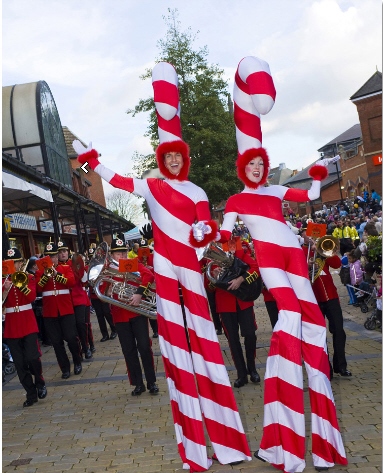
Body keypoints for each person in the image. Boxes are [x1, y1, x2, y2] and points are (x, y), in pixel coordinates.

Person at [72, 61, 251, 470]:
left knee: (204, 337)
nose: (172, 162)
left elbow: (207, 229)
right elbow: (117, 181)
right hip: (166, 270)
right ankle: (191, 444)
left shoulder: (198, 189)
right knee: (172, 344)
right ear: (162, 158)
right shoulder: (151, 187)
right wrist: (90, 159)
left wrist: (207, 232)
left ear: (183, 159)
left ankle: (227, 436)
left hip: (189, 267)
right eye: (166, 157)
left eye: (177, 157)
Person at [106, 238, 158, 396]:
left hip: (137, 312)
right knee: (128, 350)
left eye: (123, 252)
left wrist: (138, 294)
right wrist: (108, 288)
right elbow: (101, 287)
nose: (121, 256)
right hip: (120, 314)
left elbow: (149, 276)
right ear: (112, 255)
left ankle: (152, 382)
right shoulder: (107, 268)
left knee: (144, 346)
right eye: (117, 254)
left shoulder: (134, 263)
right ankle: (137, 383)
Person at [301, 231, 351, 378]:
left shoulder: (322, 249)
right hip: (313, 299)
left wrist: (323, 252)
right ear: (303, 237)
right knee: (320, 335)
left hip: (331, 296)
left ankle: (341, 366)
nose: (311, 238)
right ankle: (326, 368)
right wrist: (307, 264)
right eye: (307, 235)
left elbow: (336, 264)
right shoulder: (302, 251)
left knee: (339, 331)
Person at [2, 248, 47, 407]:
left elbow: (31, 297)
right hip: (12, 326)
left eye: (17, 262)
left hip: (27, 322)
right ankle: (30, 393)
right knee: (20, 364)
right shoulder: (2, 281)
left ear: (21, 263)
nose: (14, 265)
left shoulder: (29, 277)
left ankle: (40, 382)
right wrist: (5, 288)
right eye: (10, 262)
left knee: (33, 357)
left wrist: (20, 284)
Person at [214, 238, 261, 387]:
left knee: (250, 334)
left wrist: (241, 279)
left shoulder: (240, 252)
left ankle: (252, 369)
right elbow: (208, 286)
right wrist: (215, 277)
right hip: (225, 304)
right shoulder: (212, 259)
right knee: (233, 340)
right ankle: (241, 374)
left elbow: (256, 268)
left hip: (243, 301)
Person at [35, 242, 82, 379]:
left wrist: (56, 274)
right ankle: (65, 368)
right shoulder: (39, 272)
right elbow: (38, 288)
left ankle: (77, 361)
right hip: (50, 312)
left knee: (71, 338)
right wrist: (45, 275)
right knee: (56, 342)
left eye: (54, 256)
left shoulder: (66, 268)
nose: (53, 259)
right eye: (49, 257)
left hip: (66, 309)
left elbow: (71, 282)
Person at [58, 240, 93, 359]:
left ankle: (86, 346)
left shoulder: (74, 262)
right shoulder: (55, 267)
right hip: (65, 301)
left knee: (81, 323)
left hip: (78, 298)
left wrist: (81, 266)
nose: (63, 254)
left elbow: (84, 282)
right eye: (60, 252)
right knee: (71, 330)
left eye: (64, 251)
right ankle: (77, 350)